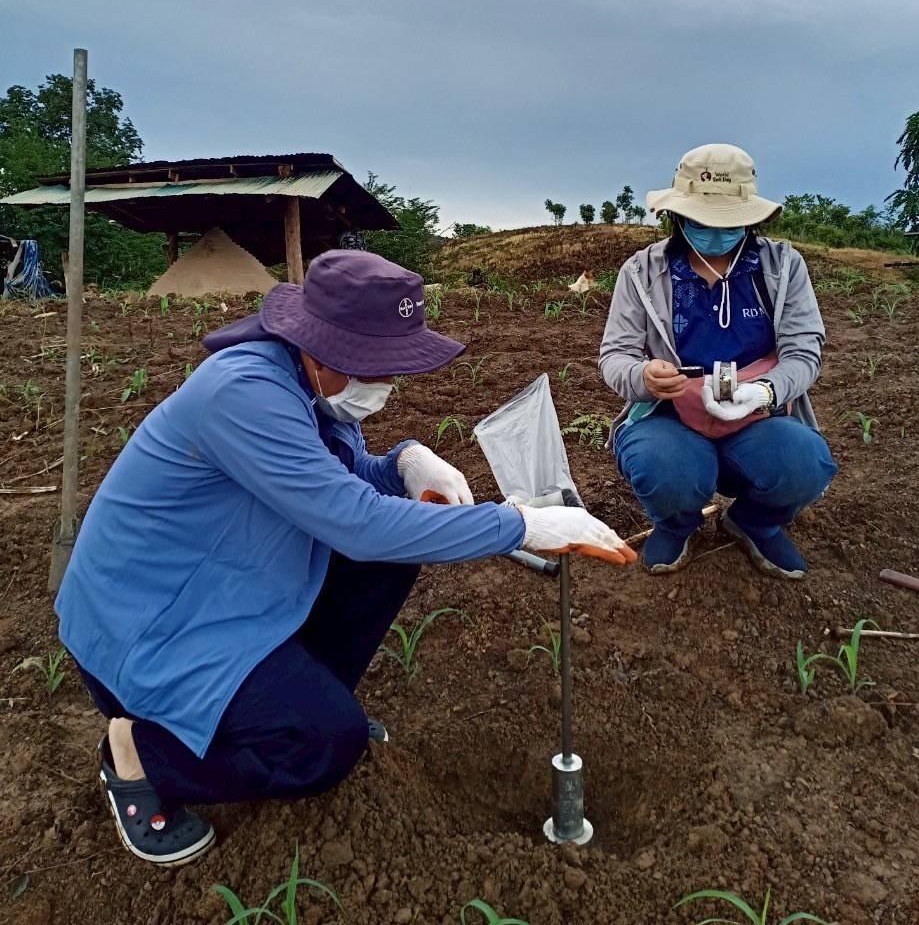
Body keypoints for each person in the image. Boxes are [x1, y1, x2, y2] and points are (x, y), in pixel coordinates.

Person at [57, 251, 635, 866]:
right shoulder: (242, 393)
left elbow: (341, 478)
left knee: (388, 563)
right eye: (380, 368)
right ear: (325, 349)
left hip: (225, 590)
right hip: (151, 627)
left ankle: (306, 701)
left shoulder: (306, 385)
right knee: (323, 748)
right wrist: (520, 524)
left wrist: (404, 463)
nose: (388, 384)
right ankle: (142, 756)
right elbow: (358, 523)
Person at [600, 144, 837, 580]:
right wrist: (644, 377)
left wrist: (763, 391)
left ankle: (753, 522)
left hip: (758, 418)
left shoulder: (781, 268)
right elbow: (615, 355)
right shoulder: (641, 272)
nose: (715, 233)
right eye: (700, 222)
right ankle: (677, 525)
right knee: (662, 467)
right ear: (677, 217)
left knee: (805, 463)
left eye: (729, 224)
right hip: (671, 418)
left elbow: (805, 351)